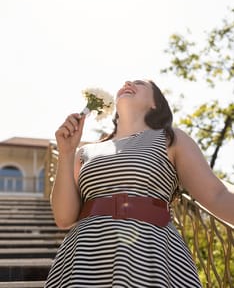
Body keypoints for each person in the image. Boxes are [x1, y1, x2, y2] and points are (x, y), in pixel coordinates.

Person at [44, 79, 234, 288]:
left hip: (152, 254)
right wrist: (66, 152)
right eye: (126, 82)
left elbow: (217, 195)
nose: (127, 82)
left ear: (155, 104)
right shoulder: (85, 152)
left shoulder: (170, 138)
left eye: (139, 83)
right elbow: (64, 218)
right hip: (86, 255)